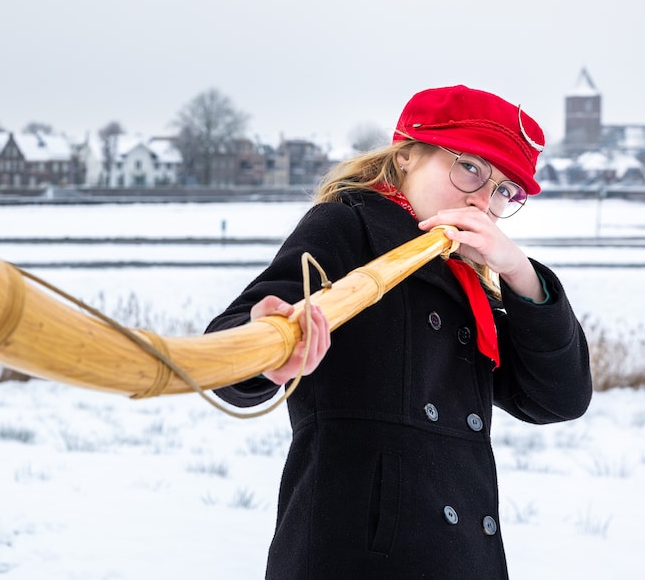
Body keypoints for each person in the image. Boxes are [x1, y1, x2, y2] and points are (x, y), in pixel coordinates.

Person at [207, 85, 593, 579]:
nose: (483, 200)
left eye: (503, 190)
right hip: (357, 556)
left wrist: (521, 275)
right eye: (470, 168)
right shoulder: (348, 227)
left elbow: (558, 399)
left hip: (462, 560)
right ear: (407, 155)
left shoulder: (464, 277)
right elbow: (226, 351)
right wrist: (269, 345)